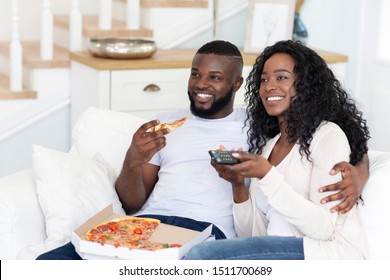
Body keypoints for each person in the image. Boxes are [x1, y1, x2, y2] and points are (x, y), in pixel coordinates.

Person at [36, 40, 367, 260]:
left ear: (237, 84)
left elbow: (331, 133)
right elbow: (131, 201)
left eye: (215, 77)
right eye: (196, 74)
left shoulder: (257, 124)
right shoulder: (164, 125)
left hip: (205, 232)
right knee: (51, 262)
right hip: (146, 222)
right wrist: (133, 158)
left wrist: (360, 171)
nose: (202, 84)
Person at [185, 40, 370, 260]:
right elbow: (253, 236)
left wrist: (267, 175)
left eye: (281, 77)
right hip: (284, 255)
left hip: (327, 254)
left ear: (304, 85)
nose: (269, 86)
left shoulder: (327, 136)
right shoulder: (268, 147)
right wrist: (237, 186)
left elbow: (323, 229)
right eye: (264, 80)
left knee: (202, 255)